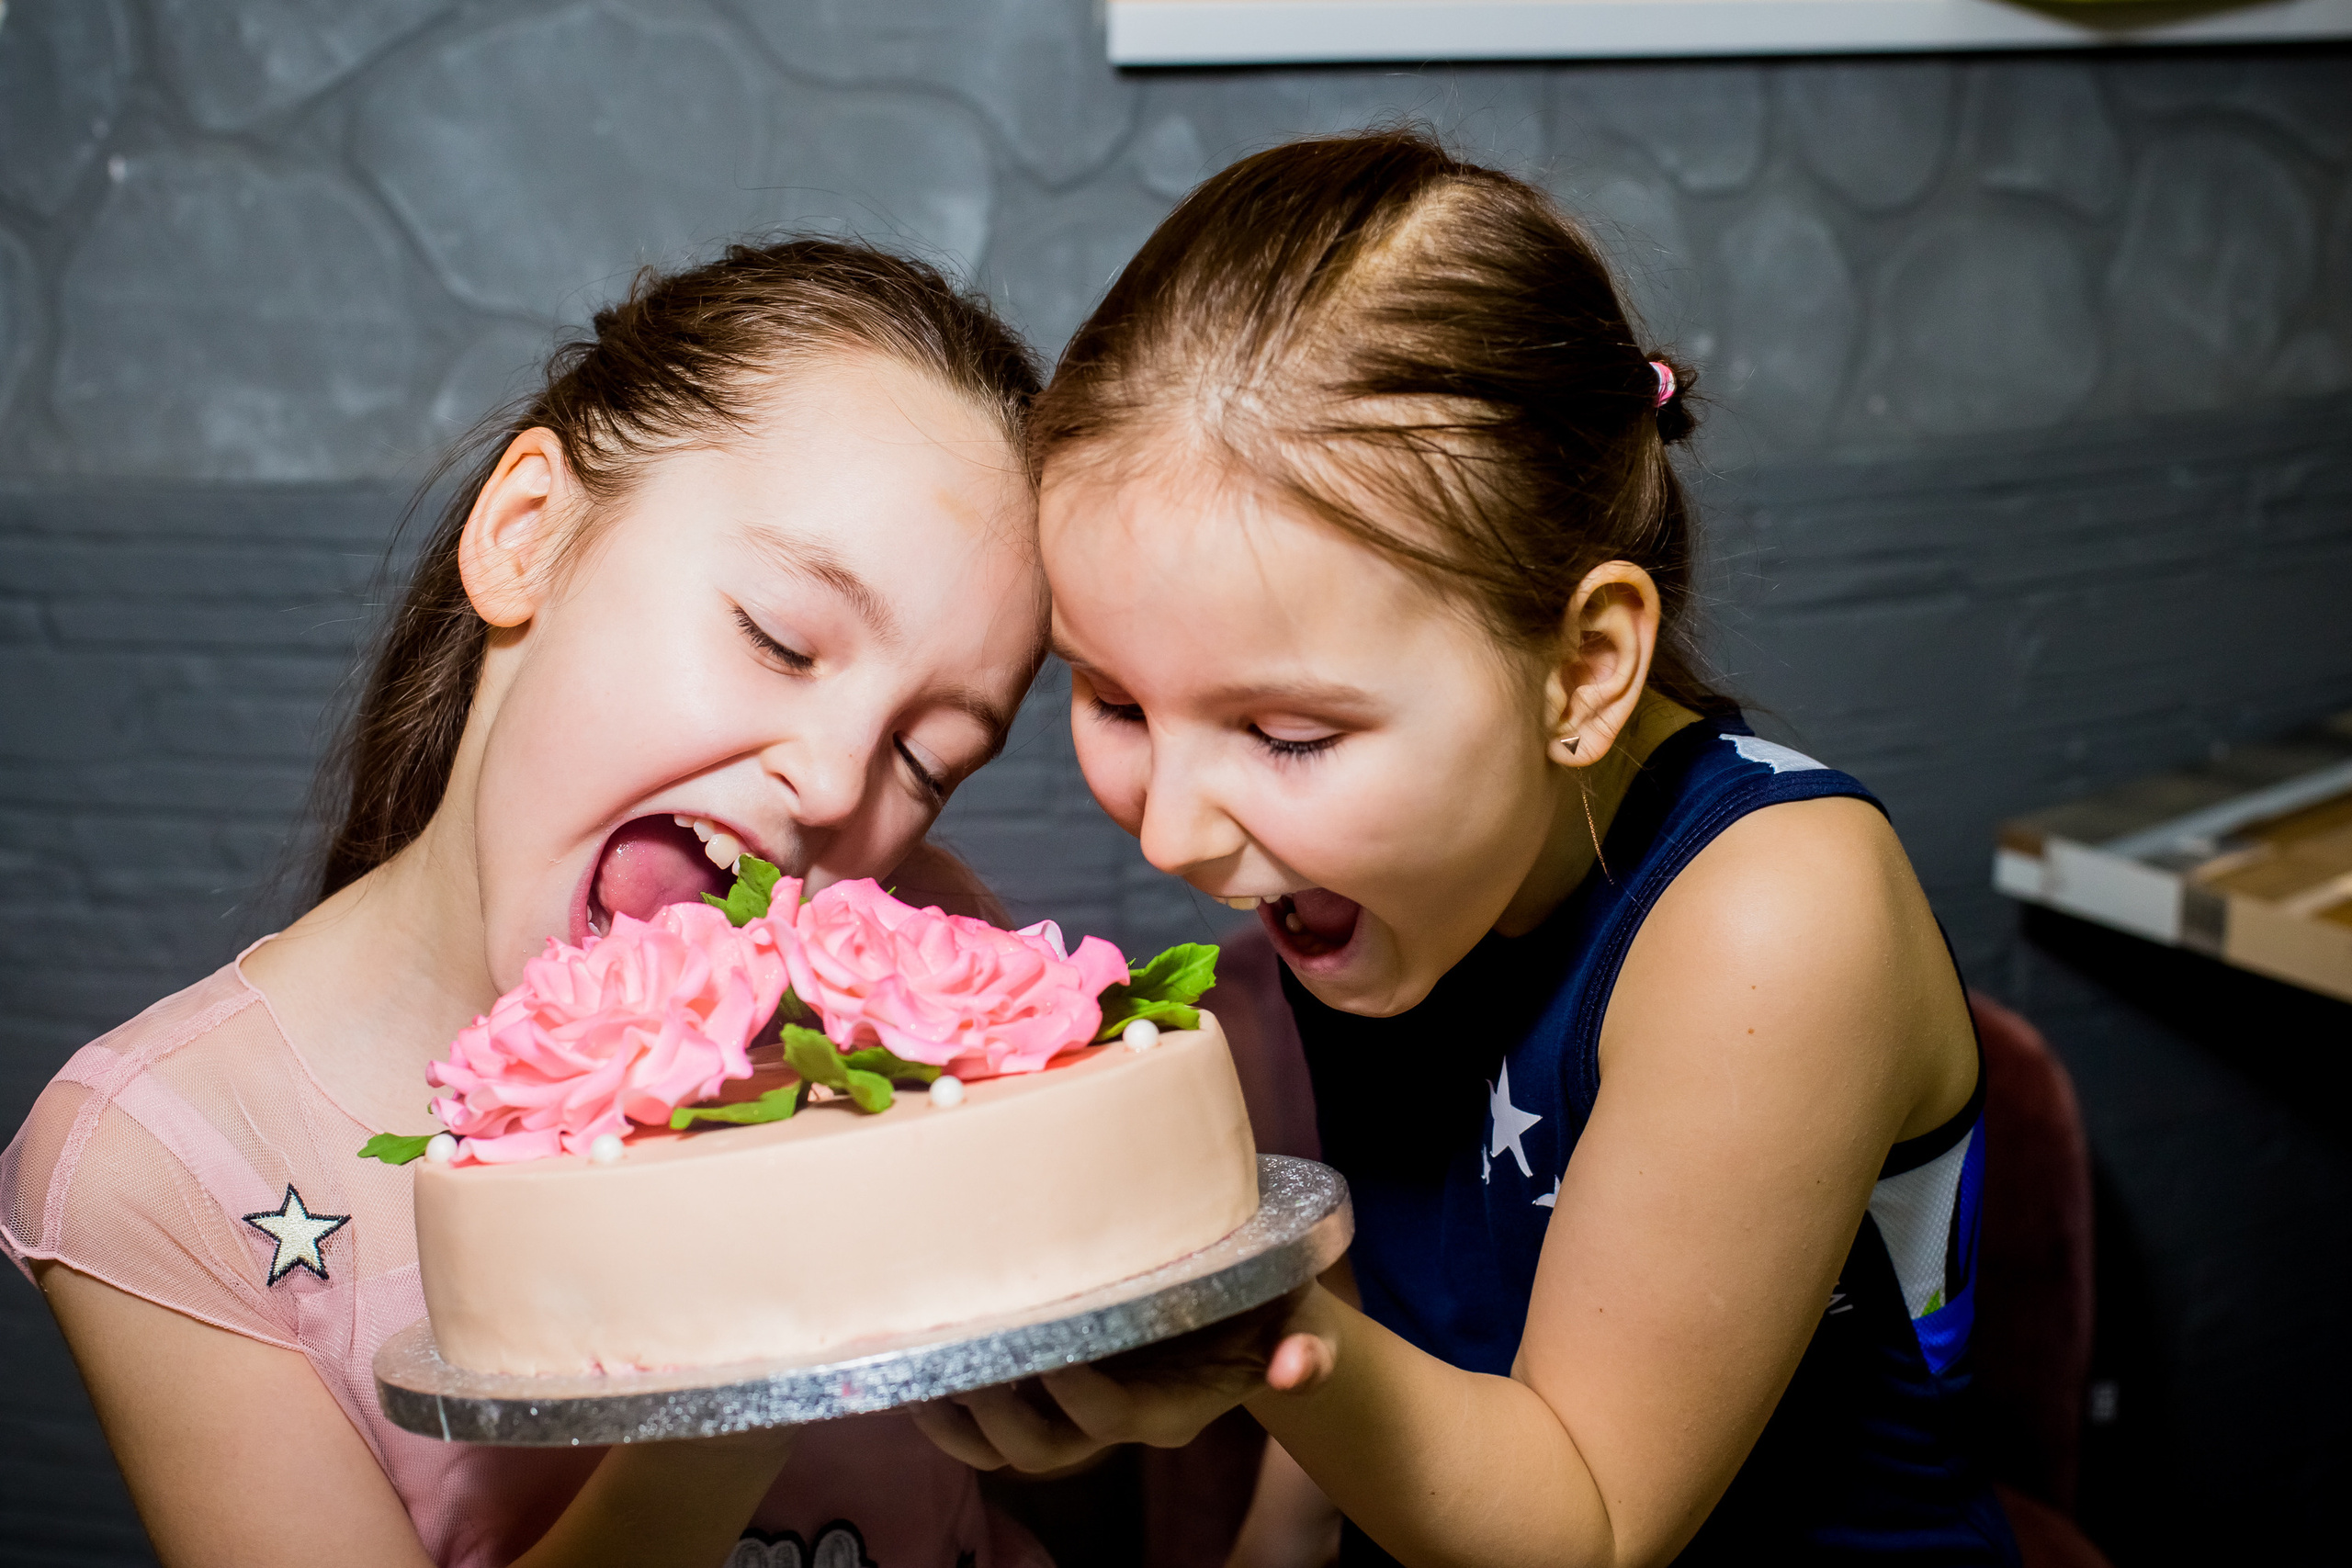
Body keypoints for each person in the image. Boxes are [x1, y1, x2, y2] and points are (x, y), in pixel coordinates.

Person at [911, 132, 2022, 1567]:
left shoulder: (1773, 916)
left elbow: (1591, 1528)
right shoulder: (1380, 874)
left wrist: (1229, 1313)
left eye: (1289, 733)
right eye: (1115, 698)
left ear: (1582, 669)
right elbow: (1409, 1314)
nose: (1178, 832)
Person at [3, 240, 1056, 1567]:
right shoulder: (162, 1161)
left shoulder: (916, 977)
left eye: (930, 761)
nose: (840, 782)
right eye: (780, 638)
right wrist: (763, 1346)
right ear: (526, 537)